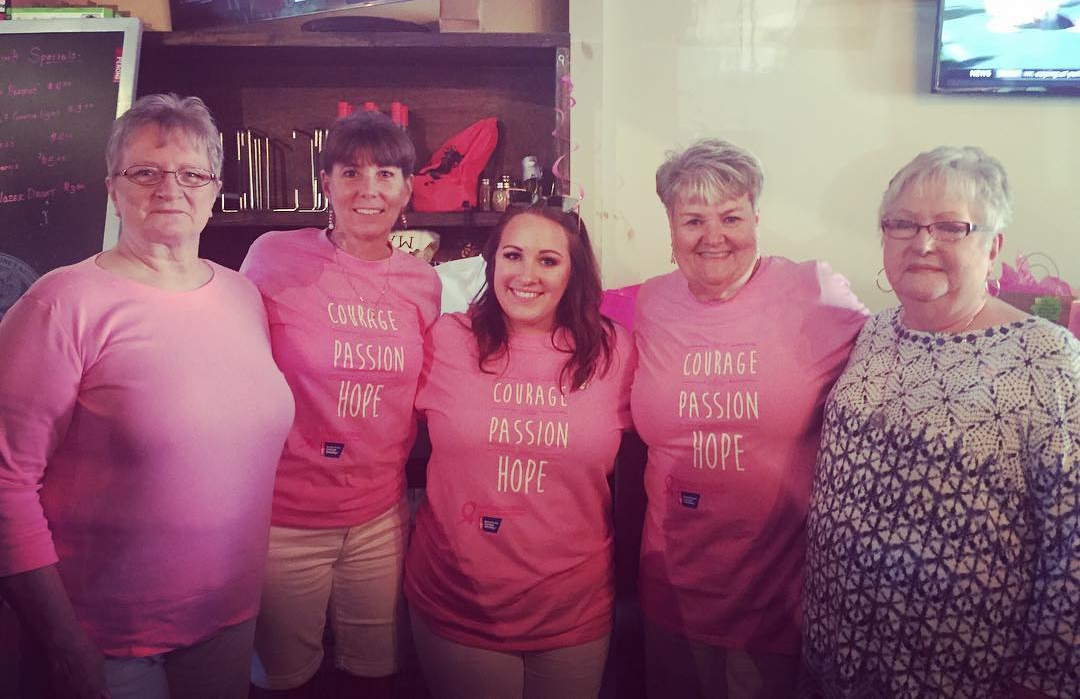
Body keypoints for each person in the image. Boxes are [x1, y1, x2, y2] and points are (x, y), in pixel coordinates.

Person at [0, 93, 295, 699]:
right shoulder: (62, 303)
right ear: (113, 187)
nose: (170, 188)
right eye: (146, 172)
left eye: (191, 173)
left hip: (229, 616)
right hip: (106, 636)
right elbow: (6, 482)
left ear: (214, 190)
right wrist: (60, 639)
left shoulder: (243, 296)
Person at [801, 147, 1080, 699]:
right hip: (834, 657)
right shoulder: (874, 334)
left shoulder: (1046, 359)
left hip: (963, 678)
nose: (922, 243)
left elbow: (1072, 544)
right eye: (903, 224)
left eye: (952, 227)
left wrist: (1041, 684)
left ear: (993, 246)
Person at [631, 138, 868, 699]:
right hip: (672, 587)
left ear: (757, 219)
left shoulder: (815, 292)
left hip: (775, 596)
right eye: (692, 219)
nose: (713, 237)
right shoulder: (648, 302)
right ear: (669, 227)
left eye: (731, 216)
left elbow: (895, 355)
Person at [240, 110, 441, 698]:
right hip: (284, 517)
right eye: (350, 171)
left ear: (407, 189)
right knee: (284, 680)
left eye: (385, 173)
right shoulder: (273, 256)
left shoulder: (421, 282)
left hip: (379, 514)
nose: (368, 189)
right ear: (326, 181)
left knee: (374, 674)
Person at [403, 205, 636, 699]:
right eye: (513, 255)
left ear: (574, 272)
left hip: (573, 608)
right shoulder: (445, 338)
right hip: (458, 603)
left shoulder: (616, 351)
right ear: (491, 264)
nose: (526, 275)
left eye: (549, 260)